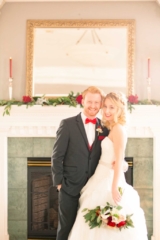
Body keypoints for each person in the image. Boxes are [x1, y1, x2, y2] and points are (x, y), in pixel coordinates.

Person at [68, 92, 148, 240]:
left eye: (112, 107)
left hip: (109, 179)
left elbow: (118, 160)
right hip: (100, 174)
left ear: (119, 109)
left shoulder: (118, 129)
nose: (107, 111)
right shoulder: (110, 127)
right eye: (105, 106)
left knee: (107, 222)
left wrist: (113, 187)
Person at [51, 86, 127, 240]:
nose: (93, 106)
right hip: (70, 186)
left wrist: (120, 164)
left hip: (95, 186)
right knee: (66, 228)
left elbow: (115, 153)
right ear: (83, 101)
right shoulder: (67, 124)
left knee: (88, 230)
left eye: (97, 102)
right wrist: (59, 183)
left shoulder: (106, 127)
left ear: (100, 104)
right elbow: (57, 156)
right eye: (89, 101)